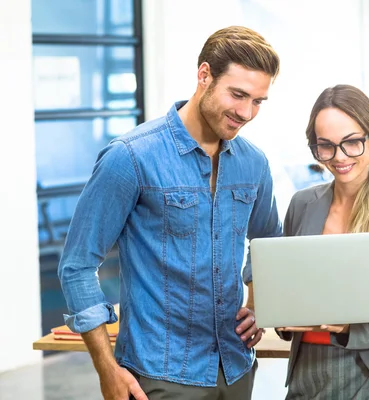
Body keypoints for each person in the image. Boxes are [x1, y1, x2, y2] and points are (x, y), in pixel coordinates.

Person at [58, 26, 282, 400]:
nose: (246, 113)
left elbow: (269, 242)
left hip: (237, 367)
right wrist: (106, 368)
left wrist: (259, 305)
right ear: (204, 75)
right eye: (238, 95)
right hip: (159, 376)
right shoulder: (130, 158)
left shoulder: (254, 163)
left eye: (258, 101)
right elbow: (77, 265)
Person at [278, 84, 369, 399]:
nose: (339, 157)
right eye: (326, 146)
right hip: (309, 369)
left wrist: (341, 325)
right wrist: (282, 318)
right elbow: (289, 294)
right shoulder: (301, 204)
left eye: (352, 143)